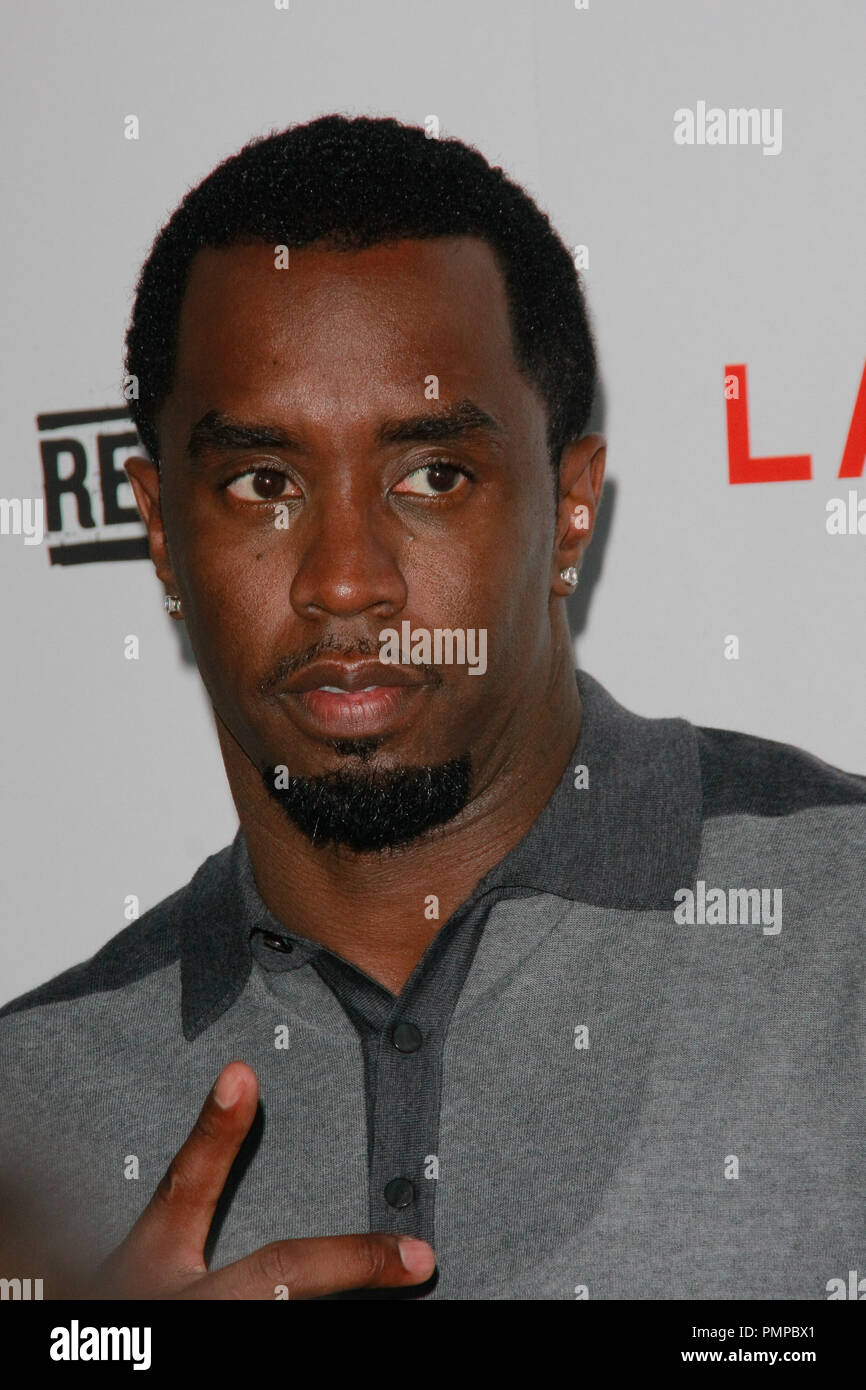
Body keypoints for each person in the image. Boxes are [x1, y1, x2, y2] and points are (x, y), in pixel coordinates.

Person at [1, 115, 863, 1301]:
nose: (344, 577)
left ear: (569, 508)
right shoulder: (26, 1113)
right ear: (157, 528)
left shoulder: (840, 930)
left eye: (430, 475)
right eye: (264, 483)